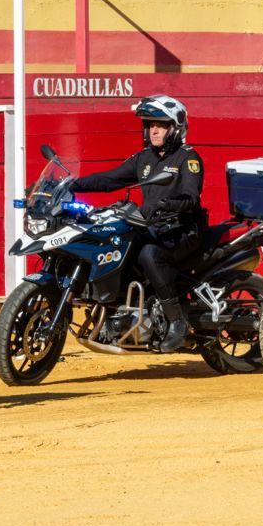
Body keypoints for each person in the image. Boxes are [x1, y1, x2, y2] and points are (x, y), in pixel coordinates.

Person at [62, 95, 205, 352]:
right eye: (150, 125)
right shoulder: (144, 158)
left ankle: (177, 322)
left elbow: (190, 197)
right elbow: (110, 179)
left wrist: (166, 204)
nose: (154, 130)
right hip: (154, 228)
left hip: (183, 230)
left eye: (160, 125)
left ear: (176, 126)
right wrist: (70, 186)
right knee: (118, 246)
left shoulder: (188, 158)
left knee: (149, 255)